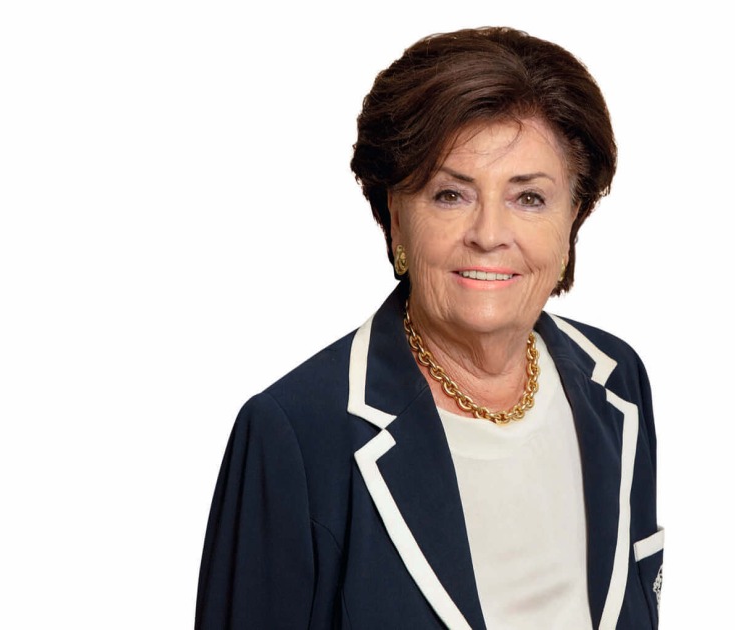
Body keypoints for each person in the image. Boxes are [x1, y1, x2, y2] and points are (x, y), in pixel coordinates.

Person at [196, 27, 662, 629]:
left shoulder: (617, 383)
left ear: (573, 217)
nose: (489, 234)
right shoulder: (296, 436)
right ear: (396, 217)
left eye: (529, 198)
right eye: (450, 195)